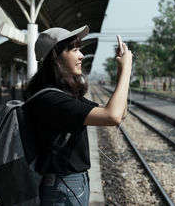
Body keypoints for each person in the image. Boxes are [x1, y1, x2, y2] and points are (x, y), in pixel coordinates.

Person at [23, 25, 132, 206]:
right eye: (74, 50)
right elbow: (111, 116)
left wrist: (121, 71)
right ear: (55, 57)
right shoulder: (52, 100)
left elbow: (120, 113)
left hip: (70, 184)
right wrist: (127, 69)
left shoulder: (63, 96)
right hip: (64, 187)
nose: (81, 55)